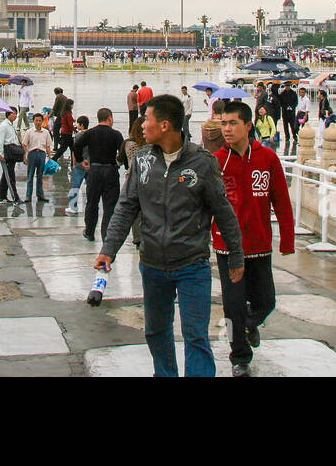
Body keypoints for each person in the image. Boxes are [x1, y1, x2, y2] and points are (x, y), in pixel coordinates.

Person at [96, 95, 244, 378]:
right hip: (152, 265)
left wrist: (236, 256)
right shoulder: (142, 160)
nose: (142, 126)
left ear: (165, 125)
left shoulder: (202, 163)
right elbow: (126, 207)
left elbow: (223, 213)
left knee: (196, 336)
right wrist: (108, 249)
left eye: (147, 119)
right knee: (155, 332)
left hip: (192, 265)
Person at [213, 100, 297, 376]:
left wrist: (287, 239)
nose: (227, 129)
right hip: (227, 248)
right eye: (223, 123)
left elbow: (281, 200)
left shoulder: (267, 158)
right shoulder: (216, 161)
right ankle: (239, 356)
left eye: (233, 123)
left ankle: (250, 323)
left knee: (266, 302)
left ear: (248, 126)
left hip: (260, 244)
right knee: (233, 305)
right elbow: (205, 205)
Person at [82, 108, 124, 242]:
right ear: (110, 118)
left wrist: (82, 160)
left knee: (92, 203)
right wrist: (119, 163)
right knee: (110, 205)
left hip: (94, 170)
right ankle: (106, 234)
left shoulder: (90, 133)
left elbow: (77, 145)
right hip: (110, 170)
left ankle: (89, 231)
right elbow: (122, 152)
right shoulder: (116, 134)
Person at [22, 112, 53, 203]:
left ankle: (40, 195)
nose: (38, 122)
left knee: (40, 176)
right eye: (36, 120)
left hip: (42, 155)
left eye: (40, 120)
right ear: (33, 121)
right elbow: (24, 144)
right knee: (30, 176)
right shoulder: (29, 132)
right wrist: (25, 155)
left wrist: (49, 158)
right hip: (32, 154)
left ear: (42, 121)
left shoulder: (46, 132)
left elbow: (48, 146)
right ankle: (28, 196)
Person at [0, 107, 22, 203]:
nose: (15, 116)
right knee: (9, 175)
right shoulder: (4, 126)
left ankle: (3, 196)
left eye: (16, 114)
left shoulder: (10, 125)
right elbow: (0, 141)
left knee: (6, 175)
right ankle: (14, 196)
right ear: (8, 114)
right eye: (14, 113)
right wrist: (0, 154)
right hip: (7, 153)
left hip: (11, 153)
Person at [66, 114, 89, 214]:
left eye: (78, 124)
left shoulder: (78, 136)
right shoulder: (91, 134)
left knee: (75, 186)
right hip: (90, 163)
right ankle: (90, 205)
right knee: (90, 186)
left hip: (80, 164)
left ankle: (73, 207)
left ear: (82, 125)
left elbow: (75, 150)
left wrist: (74, 163)